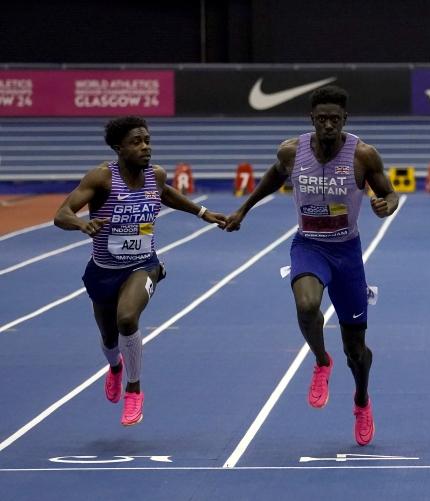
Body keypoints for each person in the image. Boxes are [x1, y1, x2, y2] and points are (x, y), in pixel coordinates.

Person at [223, 85, 398, 446]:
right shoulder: (292, 150)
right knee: (306, 305)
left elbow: (390, 192)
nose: (328, 125)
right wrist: (244, 208)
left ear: (344, 120)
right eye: (322, 119)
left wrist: (387, 205)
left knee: (357, 351)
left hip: (347, 253)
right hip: (309, 246)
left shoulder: (363, 155)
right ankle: (321, 361)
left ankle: (361, 400)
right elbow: (274, 176)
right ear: (312, 120)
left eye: (335, 119)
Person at [54, 116, 227, 426]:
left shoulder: (155, 176)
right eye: (136, 142)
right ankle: (116, 368)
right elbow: (62, 214)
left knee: (127, 319)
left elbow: (168, 193)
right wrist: (82, 223)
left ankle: (134, 390)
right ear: (119, 148)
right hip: (103, 271)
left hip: (143, 265)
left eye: (147, 140)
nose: (145, 146)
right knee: (109, 337)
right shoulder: (101, 178)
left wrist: (202, 212)